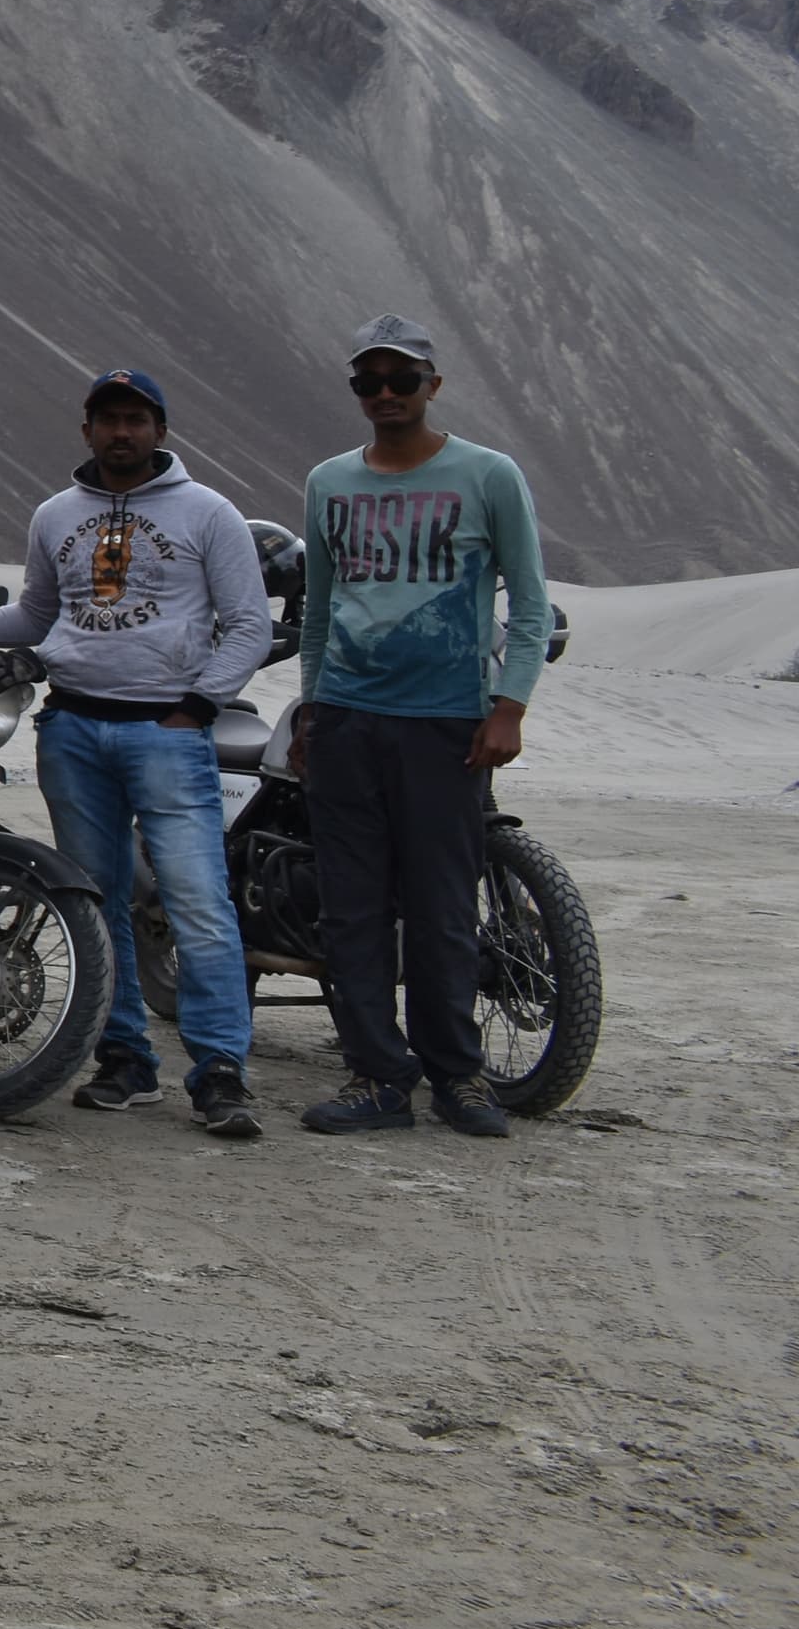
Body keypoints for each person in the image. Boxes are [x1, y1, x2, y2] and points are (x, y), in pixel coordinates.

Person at [0, 366, 275, 1139]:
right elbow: (39, 616)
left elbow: (249, 624)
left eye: (136, 419)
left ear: (160, 430)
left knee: (196, 902)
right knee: (97, 896)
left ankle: (220, 1069)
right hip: (74, 728)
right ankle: (126, 1059)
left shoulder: (209, 513)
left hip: (167, 733)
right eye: (108, 419)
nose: (122, 432)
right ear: (86, 429)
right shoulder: (56, 515)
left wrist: (198, 706)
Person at [295, 317, 550, 1140]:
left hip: (446, 724)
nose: (385, 394)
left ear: (432, 385)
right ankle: (376, 1077)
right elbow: (321, 612)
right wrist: (312, 707)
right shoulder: (329, 481)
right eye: (369, 382)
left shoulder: (488, 475)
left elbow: (531, 602)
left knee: (443, 908)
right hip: (346, 720)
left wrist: (508, 705)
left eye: (401, 379)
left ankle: (459, 1078)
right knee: (352, 908)